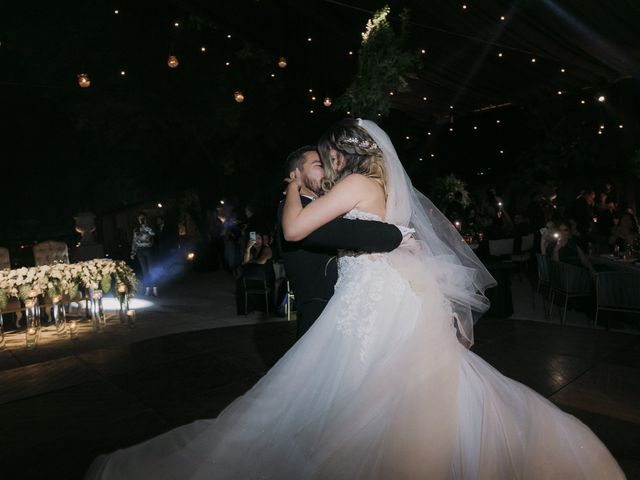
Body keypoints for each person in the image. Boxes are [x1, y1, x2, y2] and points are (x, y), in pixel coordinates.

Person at [87, 120, 623, 479]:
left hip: (370, 299)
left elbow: (294, 230)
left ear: (342, 155)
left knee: (352, 387)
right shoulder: (385, 191)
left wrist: (293, 184)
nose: (325, 165)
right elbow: (385, 241)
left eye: (325, 158)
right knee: (404, 386)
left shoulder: (354, 186)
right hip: (391, 294)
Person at [277, 145, 404, 338]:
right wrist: (398, 234)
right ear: (296, 173)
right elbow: (354, 233)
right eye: (319, 165)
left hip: (344, 314)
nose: (327, 170)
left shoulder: (324, 208)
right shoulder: (292, 212)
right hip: (319, 316)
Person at [130, 212, 157, 296]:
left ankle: (155, 289)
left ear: (146, 219)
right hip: (140, 251)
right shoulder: (136, 229)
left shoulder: (150, 227)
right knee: (145, 271)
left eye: (143, 218)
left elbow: (153, 233)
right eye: (140, 219)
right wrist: (133, 252)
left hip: (149, 250)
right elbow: (134, 241)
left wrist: (145, 226)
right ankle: (148, 289)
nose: (141, 220)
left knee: (152, 270)